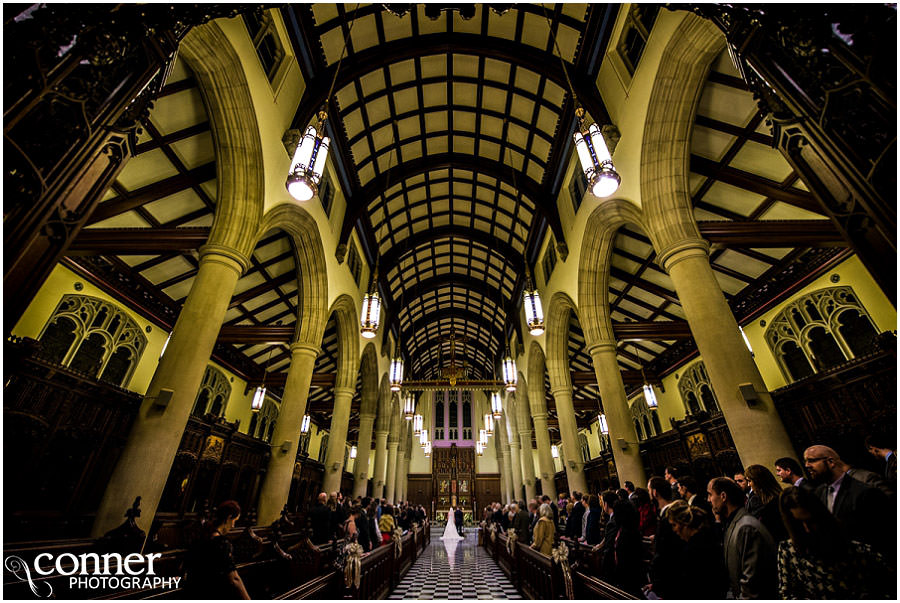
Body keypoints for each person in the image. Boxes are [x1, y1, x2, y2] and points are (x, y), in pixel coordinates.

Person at [777, 485, 894, 599]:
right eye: (799, 524)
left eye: (810, 521)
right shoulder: (788, 550)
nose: (807, 529)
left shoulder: (850, 546)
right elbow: (787, 592)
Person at [804, 444, 892, 555]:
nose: (807, 465)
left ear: (831, 462)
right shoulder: (818, 493)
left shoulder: (865, 492)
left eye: (811, 460)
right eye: (806, 461)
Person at [707, 477, 777, 599]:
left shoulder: (746, 528)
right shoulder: (733, 523)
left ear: (723, 496)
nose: (708, 500)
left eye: (710, 494)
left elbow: (752, 583)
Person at [183, 500, 251, 600]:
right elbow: (234, 579)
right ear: (229, 517)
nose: (233, 526)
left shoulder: (203, 534)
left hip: (192, 589)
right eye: (234, 521)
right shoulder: (221, 543)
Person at [667, 503, 728, 599]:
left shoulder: (693, 550)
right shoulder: (708, 540)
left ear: (685, 524)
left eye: (674, 525)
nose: (674, 530)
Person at [647, 476, 684, 599]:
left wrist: (659, 584)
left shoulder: (669, 519)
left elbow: (666, 556)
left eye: (649, 491)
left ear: (655, 492)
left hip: (673, 586)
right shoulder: (674, 514)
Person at [606, 500, 644, 597]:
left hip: (629, 577)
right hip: (623, 576)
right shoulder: (622, 529)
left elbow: (627, 558)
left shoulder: (629, 533)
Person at [744, 464, 788, 543]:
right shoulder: (768, 500)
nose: (748, 485)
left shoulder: (775, 503)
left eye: (750, 481)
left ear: (758, 481)